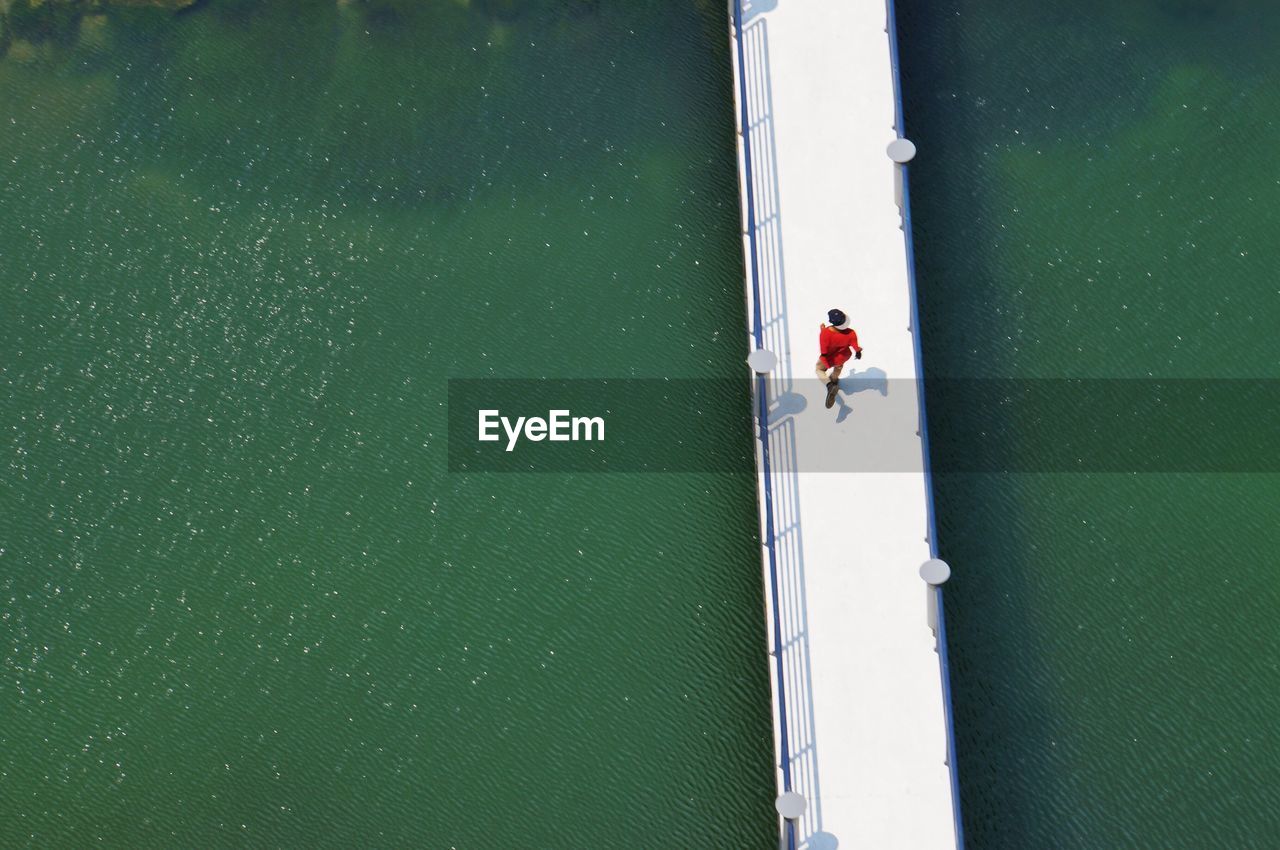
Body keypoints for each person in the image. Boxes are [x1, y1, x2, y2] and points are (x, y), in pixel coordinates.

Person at [816, 308, 862, 409]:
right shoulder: (851, 333)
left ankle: (830, 386)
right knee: (838, 368)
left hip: (830, 357)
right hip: (842, 356)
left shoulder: (825, 334)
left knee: (819, 369)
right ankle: (834, 380)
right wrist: (858, 351)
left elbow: (824, 350)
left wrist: (823, 331)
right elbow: (855, 345)